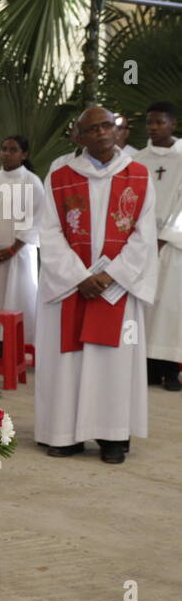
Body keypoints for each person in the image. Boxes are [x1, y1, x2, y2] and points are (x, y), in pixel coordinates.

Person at [36, 106, 157, 464]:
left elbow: (144, 234)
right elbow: (50, 231)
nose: (103, 132)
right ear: (79, 137)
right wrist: (79, 277)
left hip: (117, 288)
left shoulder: (138, 174)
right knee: (68, 360)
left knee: (113, 362)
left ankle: (112, 437)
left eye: (108, 126)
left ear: (119, 132)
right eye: (93, 128)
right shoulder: (60, 175)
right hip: (73, 286)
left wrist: (111, 275)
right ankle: (64, 434)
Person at [137, 101, 182, 390]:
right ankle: (148, 369)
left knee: (170, 309)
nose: (153, 127)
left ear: (173, 124)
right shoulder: (138, 160)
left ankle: (169, 371)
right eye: (150, 122)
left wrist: (165, 237)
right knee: (145, 307)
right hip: (141, 243)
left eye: (159, 122)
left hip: (174, 245)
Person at [0, 135, 43, 353]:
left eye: (13, 150)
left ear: (24, 154)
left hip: (19, 252)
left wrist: (12, 249)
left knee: (17, 298)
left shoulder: (32, 182)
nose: (7, 154)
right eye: (4, 149)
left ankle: (14, 344)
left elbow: (37, 220)